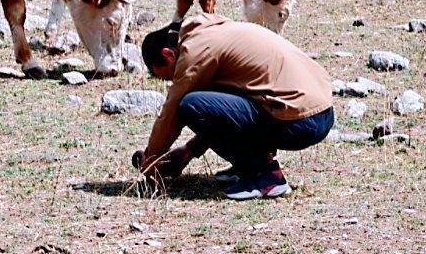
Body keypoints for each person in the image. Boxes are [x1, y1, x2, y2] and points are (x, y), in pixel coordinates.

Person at [134, 11, 334, 200]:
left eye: (169, 76)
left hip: (300, 120)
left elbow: (173, 111)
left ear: (168, 54)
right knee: (208, 100)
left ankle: (264, 176)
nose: (174, 81)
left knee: (189, 104)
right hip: (320, 112)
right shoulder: (213, 33)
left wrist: (151, 158)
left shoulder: (195, 50)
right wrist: (190, 150)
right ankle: (248, 166)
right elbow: (225, 112)